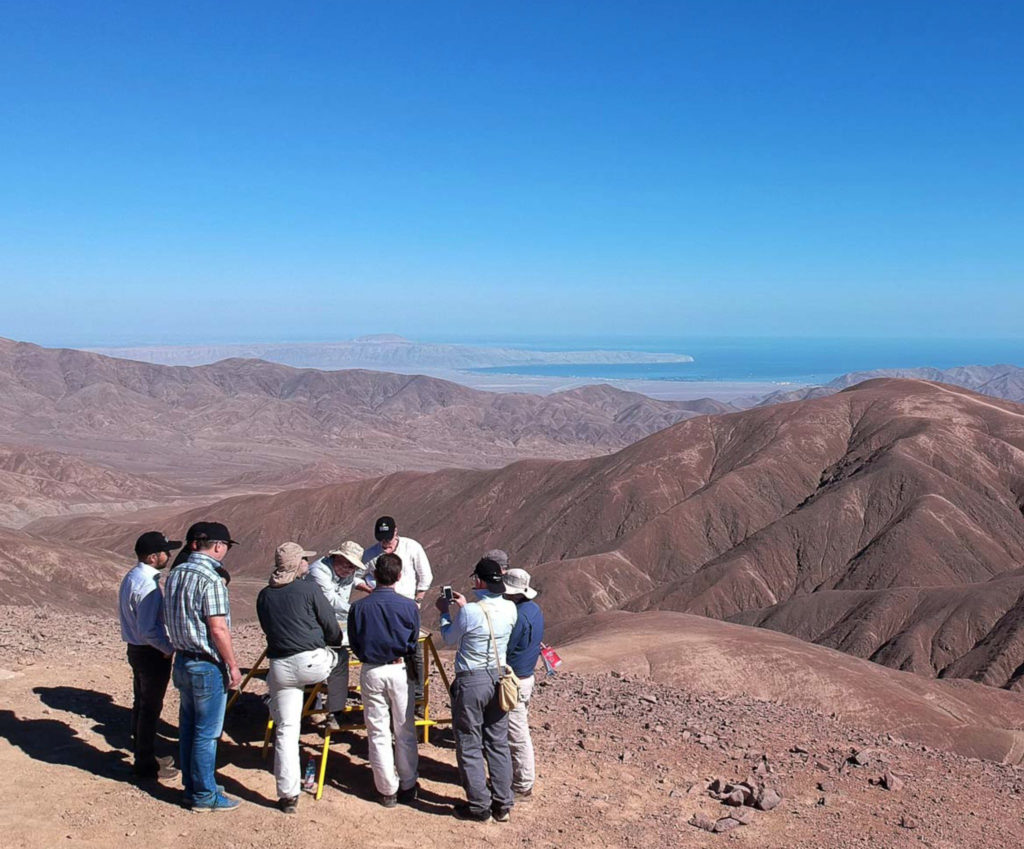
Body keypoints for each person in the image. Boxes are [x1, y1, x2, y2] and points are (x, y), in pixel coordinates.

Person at [162, 521, 243, 812]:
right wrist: (232, 666)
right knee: (207, 734)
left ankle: (194, 785)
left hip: (182, 659)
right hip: (206, 664)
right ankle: (204, 795)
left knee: (188, 728)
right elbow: (218, 629)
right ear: (219, 546)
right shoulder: (211, 579)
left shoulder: (176, 573)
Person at [256, 542, 341, 814]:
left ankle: (288, 795)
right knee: (339, 658)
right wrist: (333, 642)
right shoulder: (308, 589)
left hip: (280, 666)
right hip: (312, 662)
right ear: (295, 564)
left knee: (287, 729)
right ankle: (335, 710)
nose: (307, 563)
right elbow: (331, 626)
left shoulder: (264, 595)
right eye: (304, 559)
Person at [437, 556, 518, 822]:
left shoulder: (471, 611)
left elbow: (450, 638)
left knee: (469, 742)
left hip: (472, 680)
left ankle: (479, 806)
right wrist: (465, 607)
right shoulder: (510, 609)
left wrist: (445, 613)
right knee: (497, 741)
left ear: (479, 581)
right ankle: (503, 803)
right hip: (499, 679)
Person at [348, 552, 420, 807]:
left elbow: (354, 642)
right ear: (399, 577)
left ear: (375, 575)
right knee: (404, 728)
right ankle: (408, 784)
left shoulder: (358, 607)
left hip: (371, 670)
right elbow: (413, 641)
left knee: (377, 730)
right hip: (399, 669)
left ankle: (386, 788)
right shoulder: (409, 606)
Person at [118, 531, 182, 780]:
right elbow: (148, 629)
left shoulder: (133, 576)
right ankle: (145, 763)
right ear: (153, 557)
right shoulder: (148, 585)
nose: (169, 555)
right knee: (150, 707)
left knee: (141, 703)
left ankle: (144, 753)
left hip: (136, 649)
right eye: (166, 552)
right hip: (150, 653)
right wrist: (168, 648)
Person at [360, 516, 432, 709]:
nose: (385, 543)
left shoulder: (412, 547)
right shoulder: (370, 554)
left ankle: (416, 696)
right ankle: (387, 691)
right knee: (383, 647)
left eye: (388, 538)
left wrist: (417, 600)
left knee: (413, 650)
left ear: (396, 532)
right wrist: (370, 590)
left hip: (406, 606)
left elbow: (425, 575)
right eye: (381, 538)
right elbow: (356, 575)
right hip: (380, 607)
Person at [304, 541, 364, 732]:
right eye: (347, 564)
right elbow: (330, 601)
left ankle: (334, 711)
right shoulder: (318, 572)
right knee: (326, 661)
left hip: (336, 624)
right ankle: (310, 703)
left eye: (354, 566)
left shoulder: (348, 572)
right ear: (336, 557)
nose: (350, 569)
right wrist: (359, 611)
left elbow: (354, 582)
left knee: (340, 659)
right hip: (312, 624)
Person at [503, 568, 544, 798]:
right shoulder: (534, 610)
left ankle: (523, 784)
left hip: (514, 680)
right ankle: (516, 778)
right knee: (517, 729)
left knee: (516, 734)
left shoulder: (518, 616)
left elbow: (505, 647)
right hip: (526, 676)